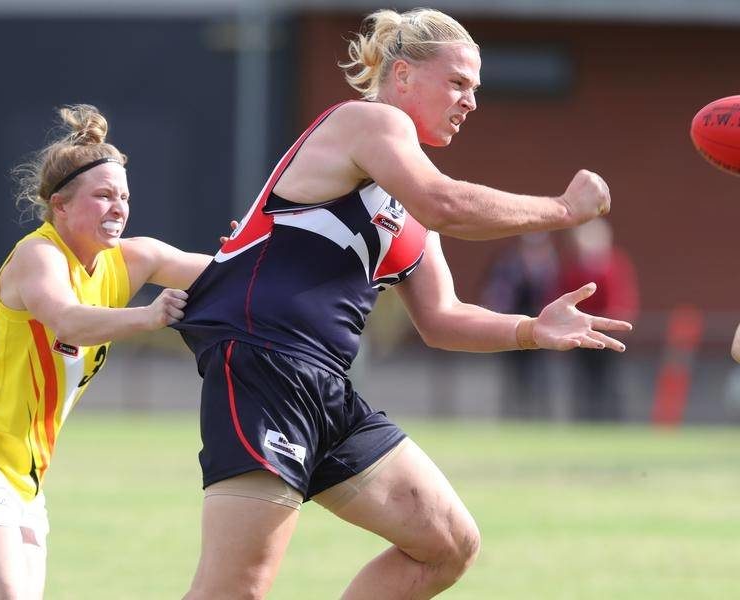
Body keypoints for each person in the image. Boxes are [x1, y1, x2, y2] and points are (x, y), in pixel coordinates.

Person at [174, 8, 632, 599]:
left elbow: (442, 319)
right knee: (235, 589)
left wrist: (532, 329)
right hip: (267, 363)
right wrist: (563, 210)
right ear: (405, 75)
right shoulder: (367, 122)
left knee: (447, 544)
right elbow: (447, 203)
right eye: (458, 82)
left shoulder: (407, 197)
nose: (470, 101)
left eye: (475, 89)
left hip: (325, 385)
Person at [0, 105, 211, 600]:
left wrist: (277, 248)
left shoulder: (132, 259)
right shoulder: (37, 256)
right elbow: (68, 320)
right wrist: (149, 317)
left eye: (124, 196)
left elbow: (230, 273)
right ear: (60, 205)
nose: (118, 208)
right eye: (103, 196)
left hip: (27, 480)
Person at [555, 219, 640, 420]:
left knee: (611, 381)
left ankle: (613, 419)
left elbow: (623, 297)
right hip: (581, 334)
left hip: (609, 333)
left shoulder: (614, 264)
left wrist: (618, 321)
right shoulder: (574, 268)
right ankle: (585, 419)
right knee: (583, 381)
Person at [480, 233, 560, 418]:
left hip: (543, 330)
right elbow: (499, 293)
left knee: (541, 375)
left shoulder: (549, 268)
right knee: (514, 376)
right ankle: (514, 414)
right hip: (515, 327)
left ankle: (541, 414)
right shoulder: (510, 266)